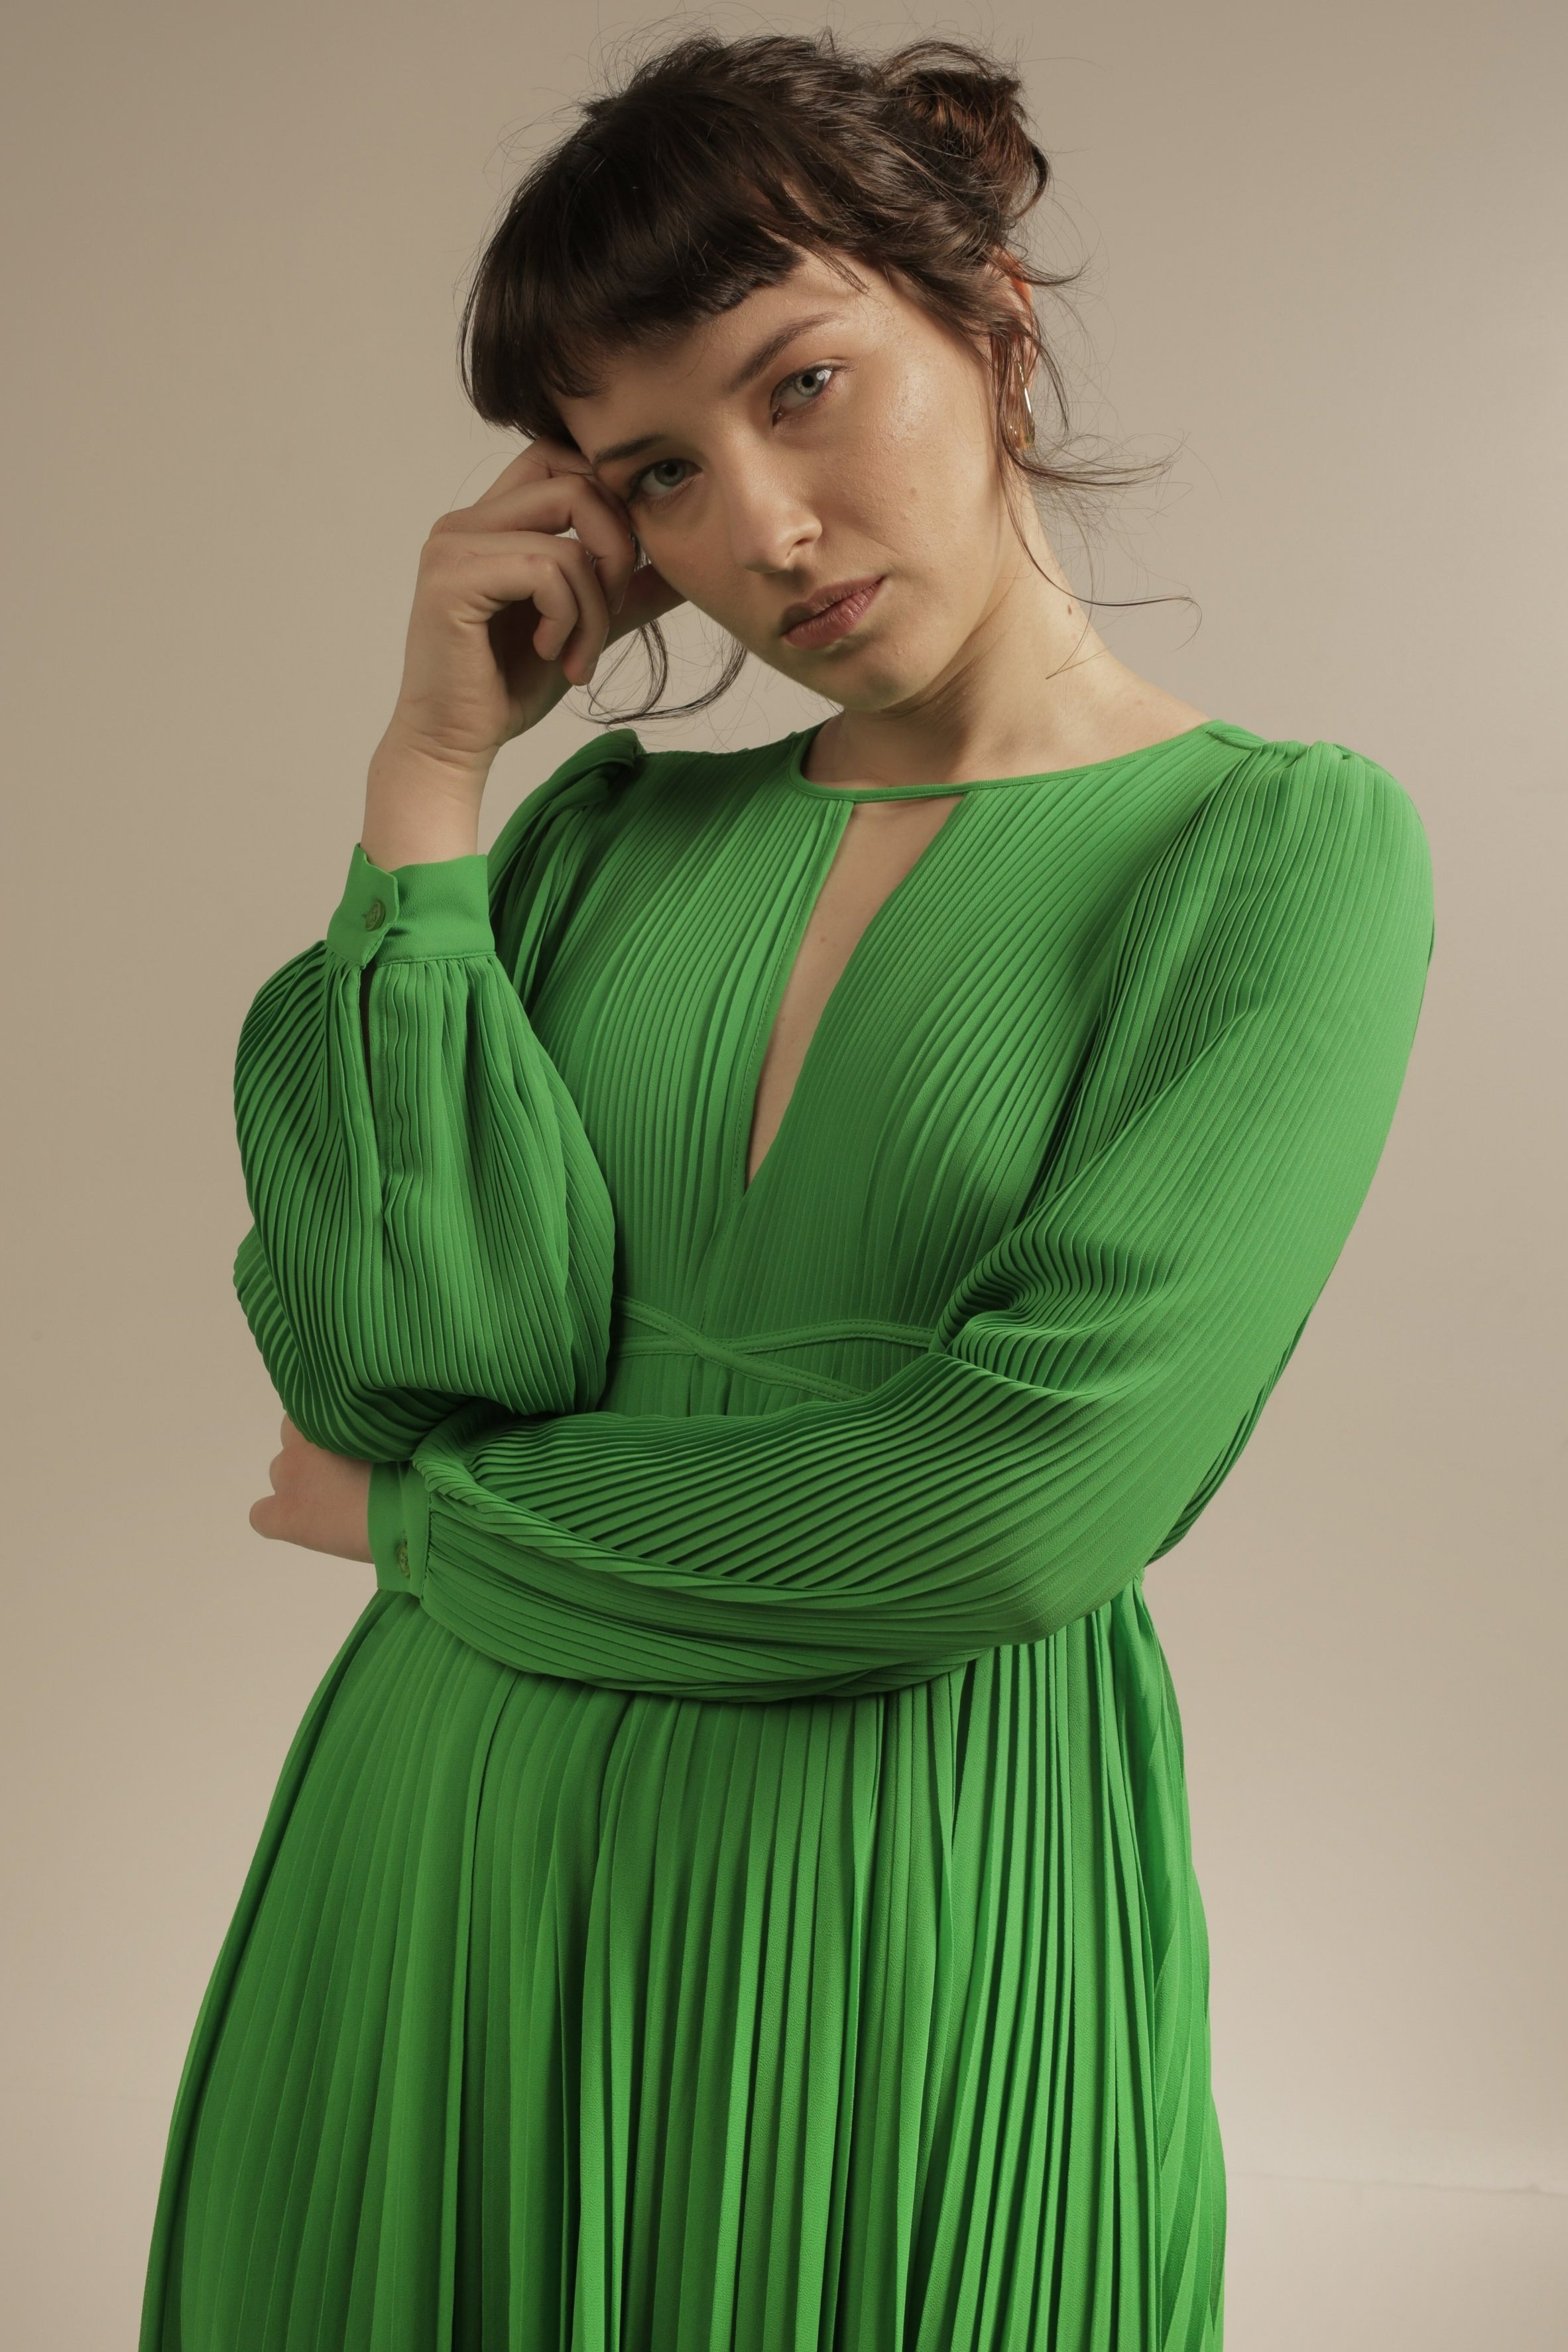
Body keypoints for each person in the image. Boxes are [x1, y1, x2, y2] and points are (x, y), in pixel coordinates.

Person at [139, 29, 1434, 2352]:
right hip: (450, 1867)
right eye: (658, 472)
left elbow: (1012, 1512)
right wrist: (431, 781)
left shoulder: (1275, 853)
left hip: (912, 1878)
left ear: (991, 315)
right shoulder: (611, 834)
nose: (758, 526)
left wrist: (434, 1533)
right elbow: (392, 1350)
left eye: (803, 383)